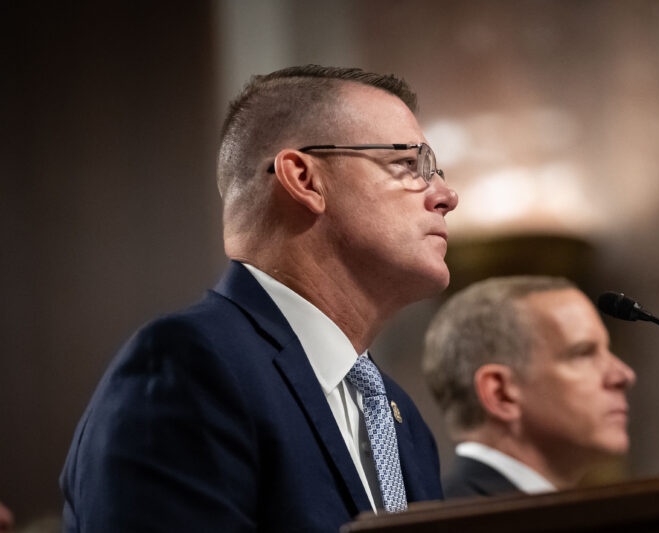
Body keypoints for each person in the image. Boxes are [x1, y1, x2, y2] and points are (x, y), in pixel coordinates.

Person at [60, 65, 458, 531]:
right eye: (407, 165)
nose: (446, 196)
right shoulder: (189, 366)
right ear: (304, 179)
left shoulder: (400, 417)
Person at [422, 276, 636, 498]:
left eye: (607, 351)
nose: (624, 375)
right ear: (500, 393)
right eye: (583, 353)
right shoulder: (465, 521)